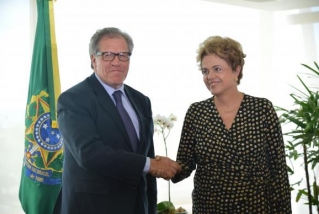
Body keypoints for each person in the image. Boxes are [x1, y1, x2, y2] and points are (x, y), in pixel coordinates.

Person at [57, 27, 181, 214]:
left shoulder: (141, 100)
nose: (117, 62)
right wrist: (150, 164)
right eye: (108, 55)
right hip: (92, 208)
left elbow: (147, 156)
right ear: (93, 59)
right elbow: (89, 153)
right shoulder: (73, 99)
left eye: (123, 55)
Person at [171, 36, 292, 213]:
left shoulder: (262, 109)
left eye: (217, 69)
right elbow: (185, 165)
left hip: (256, 208)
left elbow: (278, 171)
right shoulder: (196, 112)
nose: (209, 77)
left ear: (236, 70)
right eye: (205, 71)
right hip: (209, 208)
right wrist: (160, 166)